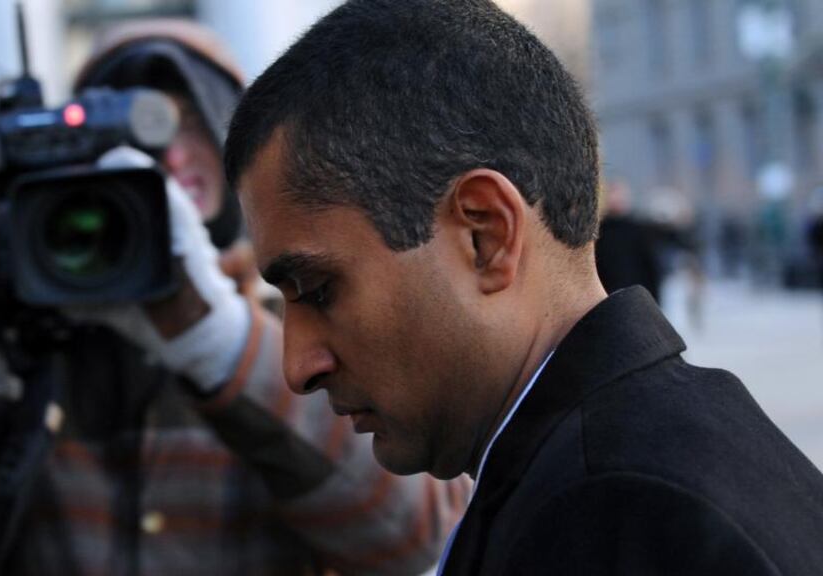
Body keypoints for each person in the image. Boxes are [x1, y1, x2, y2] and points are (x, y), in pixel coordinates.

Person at [0, 20, 467, 576]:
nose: (168, 153)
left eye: (195, 124)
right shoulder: (29, 352)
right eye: (130, 131)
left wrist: (217, 340)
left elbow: (416, 541)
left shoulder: (299, 326)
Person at [223, 1, 823, 574]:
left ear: (485, 234)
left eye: (319, 289)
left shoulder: (613, 511)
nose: (298, 365)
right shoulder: (618, 469)